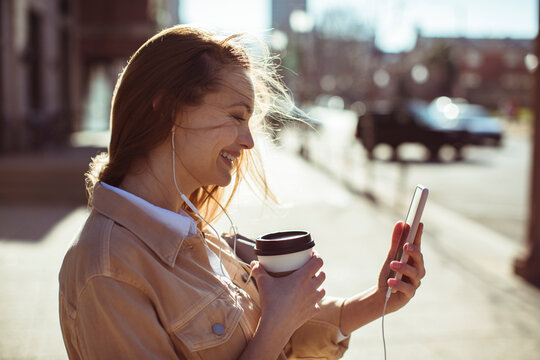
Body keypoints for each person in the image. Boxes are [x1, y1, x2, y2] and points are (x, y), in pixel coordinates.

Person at [58, 25, 425, 360]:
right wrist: (276, 324)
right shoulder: (108, 270)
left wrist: (378, 301)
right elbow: (272, 335)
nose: (249, 141)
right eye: (236, 116)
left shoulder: (192, 232)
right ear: (169, 109)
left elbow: (280, 342)